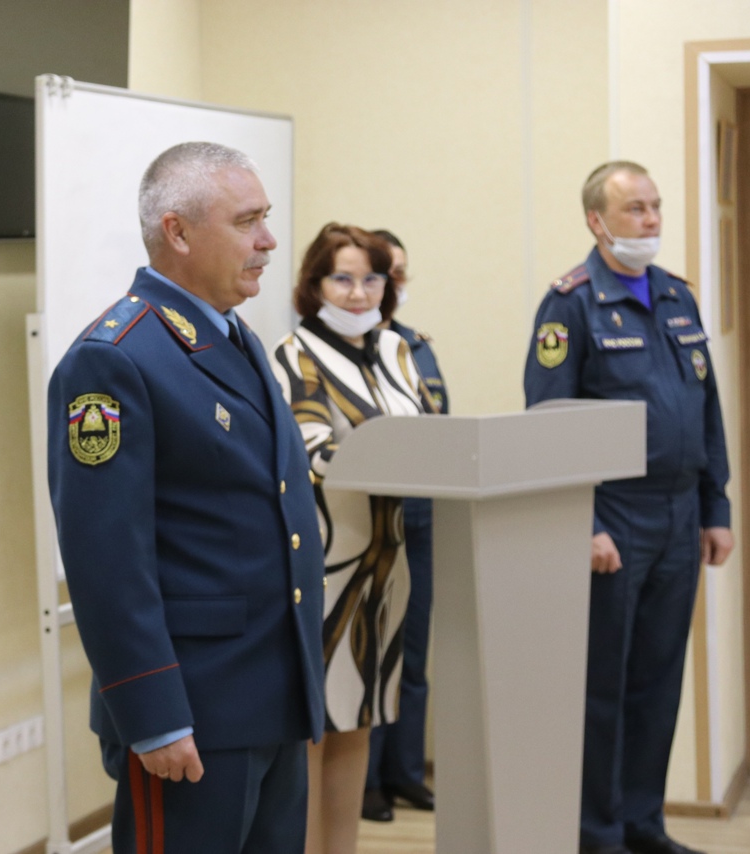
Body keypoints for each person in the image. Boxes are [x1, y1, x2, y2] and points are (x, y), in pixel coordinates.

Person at [47, 142, 326, 854]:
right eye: (247, 222)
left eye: (265, 218)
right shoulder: (115, 358)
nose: (268, 240)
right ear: (177, 232)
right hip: (194, 712)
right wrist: (155, 715)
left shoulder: (233, 336)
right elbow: (107, 560)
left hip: (271, 694)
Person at [524, 161, 732, 854]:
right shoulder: (571, 304)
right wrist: (583, 523)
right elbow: (548, 421)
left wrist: (716, 506)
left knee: (658, 683)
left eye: (655, 206)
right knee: (602, 689)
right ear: (596, 220)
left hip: (679, 516)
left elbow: (706, 409)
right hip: (613, 517)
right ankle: (599, 834)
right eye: (635, 208)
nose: (651, 220)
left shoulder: (677, 296)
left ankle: (645, 825)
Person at [270, 223, 436, 854]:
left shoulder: (398, 349)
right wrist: (403, 456)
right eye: (342, 278)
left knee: (358, 724)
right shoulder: (294, 355)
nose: (360, 292)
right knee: (316, 730)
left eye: (372, 278)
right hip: (325, 565)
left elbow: (429, 434)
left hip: (387, 567)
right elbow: (316, 453)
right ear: (314, 285)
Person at [361, 229, 446, 822]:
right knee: (370, 657)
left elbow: (441, 420)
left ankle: (405, 773)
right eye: (386, 273)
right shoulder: (344, 348)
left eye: (400, 274)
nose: (396, 284)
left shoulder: (417, 346)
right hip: (368, 520)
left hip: (421, 514)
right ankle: (366, 782)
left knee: (414, 654)